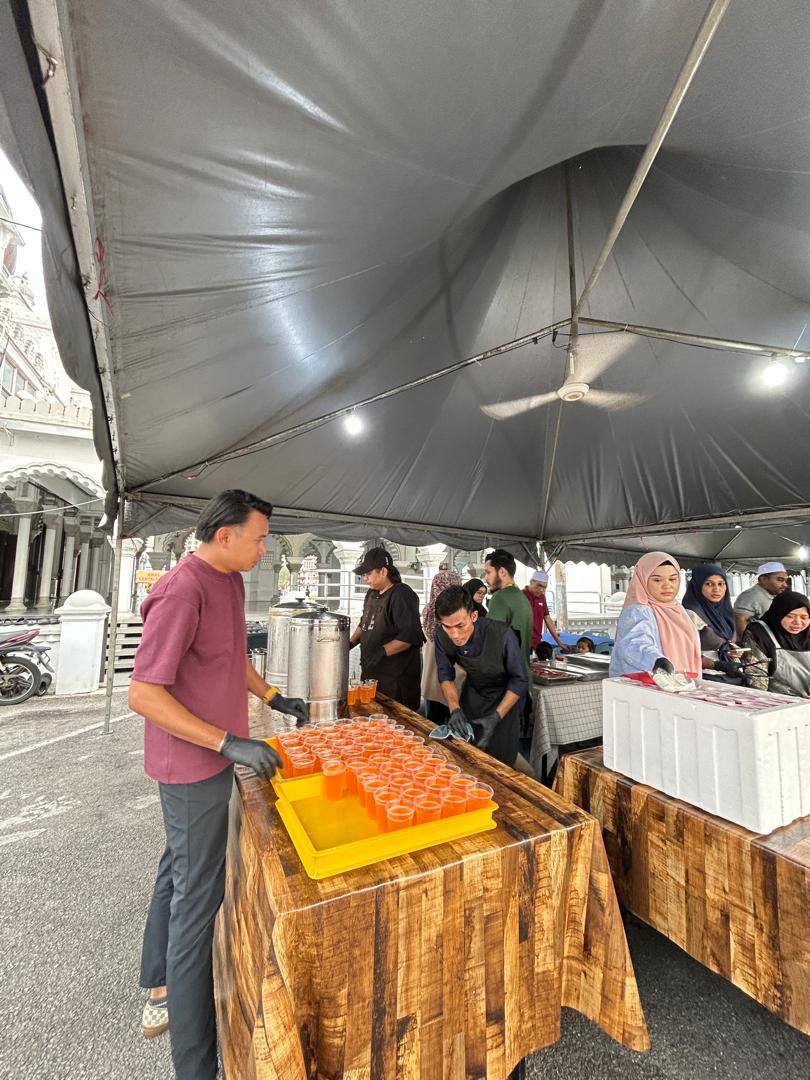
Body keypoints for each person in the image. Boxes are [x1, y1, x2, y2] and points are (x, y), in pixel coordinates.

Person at [129, 490, 308, 1080]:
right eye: (258, 538)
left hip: (214, 758)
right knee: (197, 901)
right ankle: (195, 1062)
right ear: (224, 534)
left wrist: (273, 696)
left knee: (178, 865)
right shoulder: (183, 588)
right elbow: (144, 693)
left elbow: (229, 659)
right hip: (191, 765)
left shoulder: (228, 581)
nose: (265, 549)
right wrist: (229, 743)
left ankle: (155, 982)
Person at [434, 585, 533, 774]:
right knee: (466, 759)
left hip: (504, 700)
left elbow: (519, 680)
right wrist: (455, 709)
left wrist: (496, 717)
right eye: (447, 626)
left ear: (473, 616)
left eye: (460, 626)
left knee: (500, 767)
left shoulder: (502, 635)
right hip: (473, 695)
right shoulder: (441, 636)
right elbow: (445, 674)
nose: (454, 634)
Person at [350, 547, 425, 710]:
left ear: (383, 571)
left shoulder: (402, 594)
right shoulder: (371, 594)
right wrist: (350, 643)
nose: (365, 578)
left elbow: (409, 636)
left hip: (396, 681)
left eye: (368, 574)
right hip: (372, 676)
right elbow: (364, 622)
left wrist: (381, 651)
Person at [609, 551, 701, 678]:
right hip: (647, 686)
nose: (667, 585)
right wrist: (656, 660)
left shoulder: (678, 609)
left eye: (673, 579)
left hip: (680, 682)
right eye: (657, 580)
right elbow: (633, 644)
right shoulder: (638, 611)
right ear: (643, 580)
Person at [741, 590, 810, 698]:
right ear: (778, 613)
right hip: (776, 703)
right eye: (790, 616)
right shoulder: (760, 632)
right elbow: (755, 677)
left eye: (804, 617)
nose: (798, 622)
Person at [682, 563, 745, 679]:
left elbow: (724, 642)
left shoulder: (725, 612)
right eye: (708, 584)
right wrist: (718, 665)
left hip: (731, 676)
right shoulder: (690, 614)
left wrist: (733, 650)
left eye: (721, 584)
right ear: (697, 586)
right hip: (706, 677)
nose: (717, 589)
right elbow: (683, 653)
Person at [421, 568, 463, 723]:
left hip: (431, 669)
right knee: (452, 712)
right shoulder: (455, 611)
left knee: (433, 716)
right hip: (451, 670)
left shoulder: (428, 609)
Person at [483, 549, 533, 670]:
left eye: (488, 572)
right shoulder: (522, 597)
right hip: (523, 676)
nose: (485, 577)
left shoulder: (500, 597)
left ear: (502, 572)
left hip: (508, 679)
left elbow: (491, 643)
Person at [733, 561, 790, 639]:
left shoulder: (773, 595)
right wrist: (746, 644)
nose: (785, 585)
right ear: (763, 579)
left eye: (785, 581)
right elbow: (740, 619)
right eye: (780, 580)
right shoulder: (750, 595)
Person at [523, 569, 569, 656]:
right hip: (521, 643)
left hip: (537, 643)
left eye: (544, 587)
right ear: (531, 582)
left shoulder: (542, 597)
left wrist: (559, 643)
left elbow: (547, 619)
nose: (541, 589)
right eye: (539, 585)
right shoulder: (520, 595)